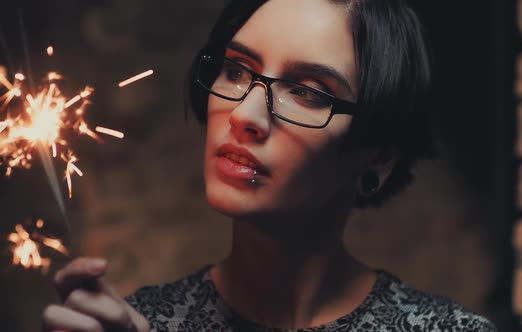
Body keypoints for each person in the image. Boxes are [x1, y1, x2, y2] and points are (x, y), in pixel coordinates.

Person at [42, 0, 497, 331]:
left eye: (309, 92)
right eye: (236, 70)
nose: (244, 115)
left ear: (379, 155)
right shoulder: (136, 323)